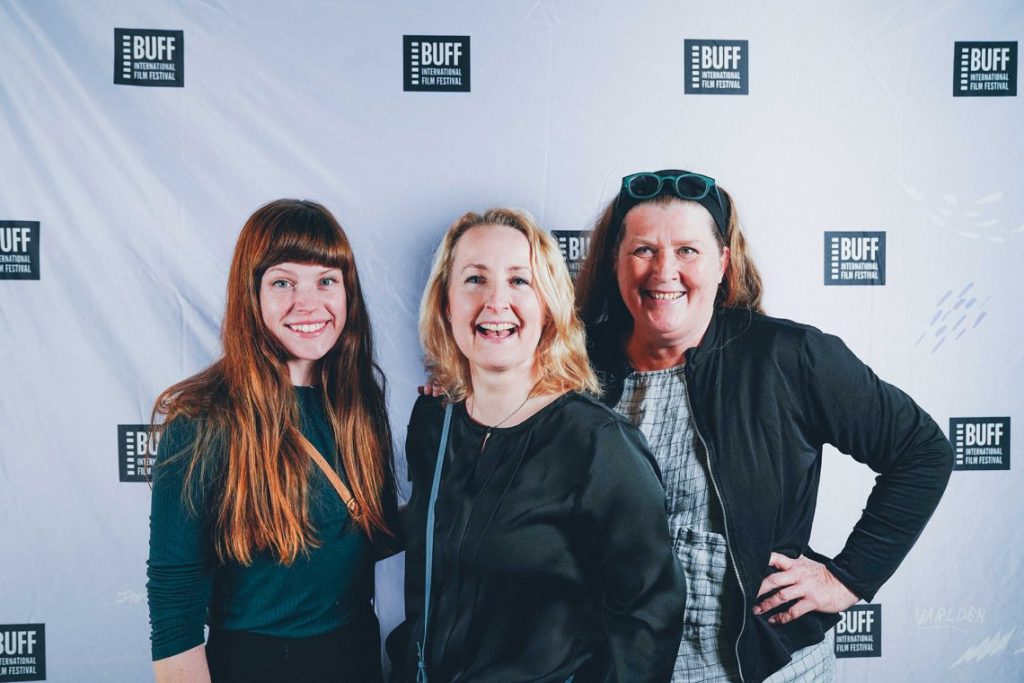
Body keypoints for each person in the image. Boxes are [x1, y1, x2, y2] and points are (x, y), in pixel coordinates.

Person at [575, 170, 954, 683]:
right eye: (643, 250)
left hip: (769, 669)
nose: (664, 271)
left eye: (687, 250)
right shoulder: (571, 369)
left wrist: (847, 578)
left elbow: (922, 450)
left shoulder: (787, 356)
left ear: (722, 262)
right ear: (615, 262)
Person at [391, 208, 686, 682]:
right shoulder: (434, 422)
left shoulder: (598, 445)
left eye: (518, 281)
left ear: (547, 306)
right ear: (446, 304)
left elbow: (646, 625)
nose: (496, 301)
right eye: (474, 279)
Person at [146, 199, 398, 683]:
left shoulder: (357, 401)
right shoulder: (202, 418)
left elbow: (373, 533)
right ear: (252, 294)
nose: (308, 303)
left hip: (357, 658)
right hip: (255, 665)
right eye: (283, 283)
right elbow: (174, 607)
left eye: (326, 281)